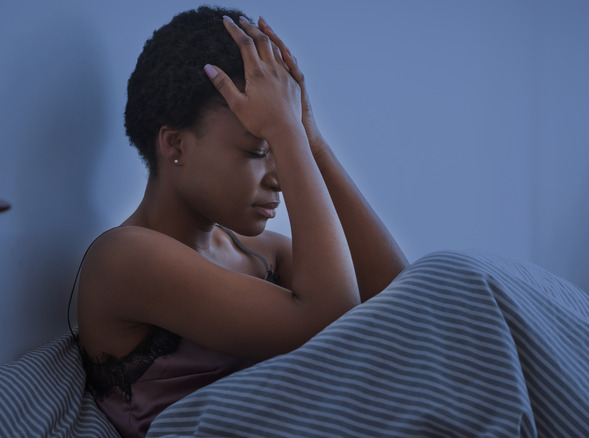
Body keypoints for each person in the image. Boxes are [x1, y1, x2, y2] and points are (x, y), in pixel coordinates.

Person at [76, 6, 408, 437]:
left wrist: (311, 138)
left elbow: (401, 304)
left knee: (451, 277)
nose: (281, 178)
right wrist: (287, 134)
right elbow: (329, 319)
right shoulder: (123, 257)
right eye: (257, 151)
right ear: (176, 144)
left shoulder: (261, 252)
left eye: (284, 151)